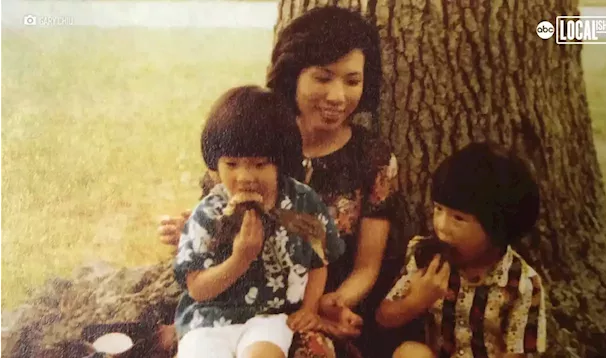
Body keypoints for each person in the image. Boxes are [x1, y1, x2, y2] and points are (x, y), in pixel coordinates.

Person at [160, 7, 406, 357]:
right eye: (323, 78)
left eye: (352, 81)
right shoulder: (254, 137)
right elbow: (219, 210)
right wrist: (189, 229)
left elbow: (367, 266)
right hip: (237, 299)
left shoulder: (373, 158)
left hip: (322, 304)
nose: (338, 96)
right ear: (294, 76)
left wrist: (328, 304)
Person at [174, 85, 344, 358]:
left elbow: (318, 261)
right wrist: (240, 259)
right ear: (214, 167)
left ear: (280, 162)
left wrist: (309, 308)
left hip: (270, 317)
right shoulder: (208, 214)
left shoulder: (301, 204)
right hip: (207, 320)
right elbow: (197, 289)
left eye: (259, 164)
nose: (245, 177)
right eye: (231, 164)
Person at [376, 142, 547, 358]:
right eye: (438, 209)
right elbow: (384, 317)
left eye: (459, 218)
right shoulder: (426, 257)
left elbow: (522, 352)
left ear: (496, 228)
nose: (442, 226)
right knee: (410, 352)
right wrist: (416, 301)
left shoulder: (520, 284)